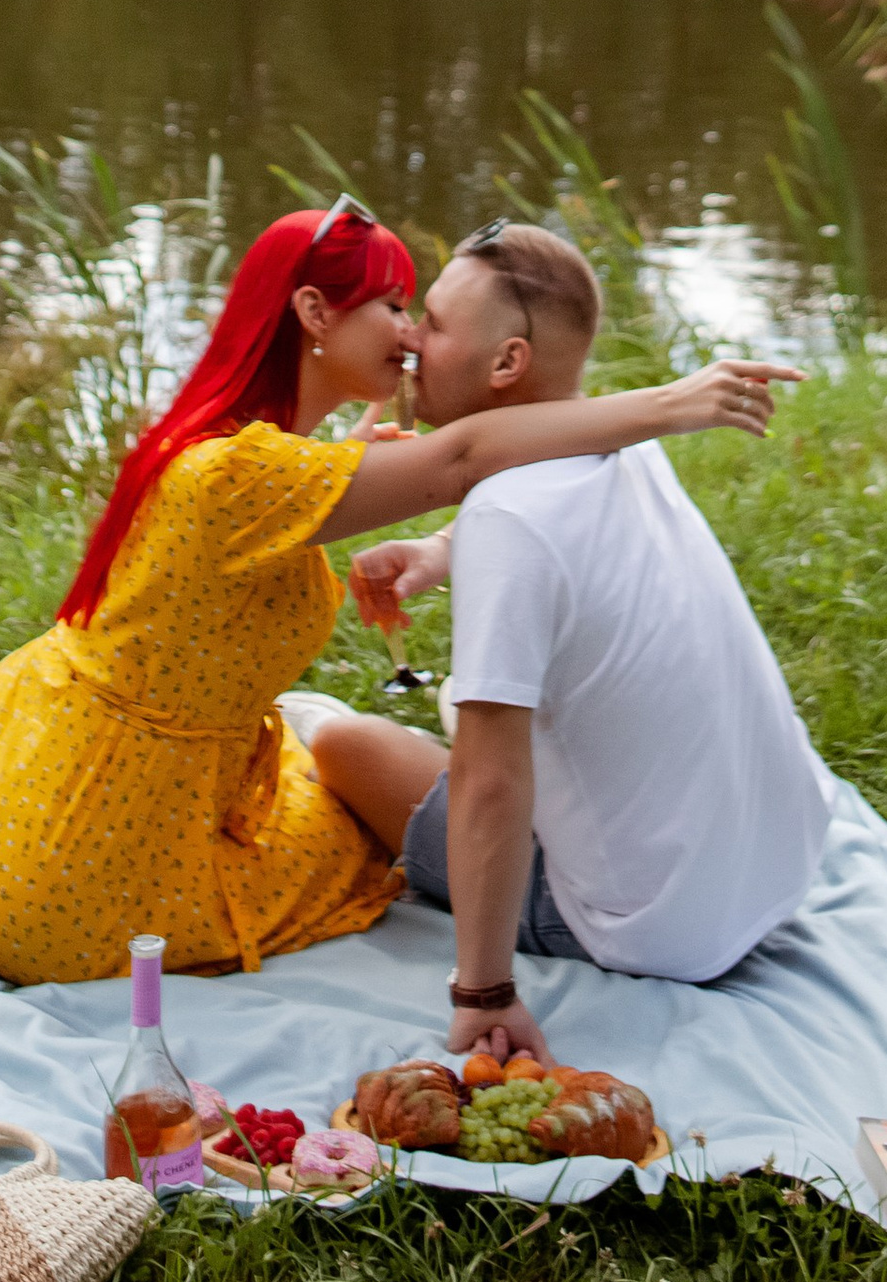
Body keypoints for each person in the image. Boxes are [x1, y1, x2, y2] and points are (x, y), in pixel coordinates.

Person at [0, 196, 791, 982]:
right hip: (117, 829)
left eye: (422, 313)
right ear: (312, 315)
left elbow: (451, 472)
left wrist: (427, 547)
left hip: (100, 751)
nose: (413, 334)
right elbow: (461, 458)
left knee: (330, 747)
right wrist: (670, 404)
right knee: (346, 826)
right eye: (392, 305)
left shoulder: (263, 460)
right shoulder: (241, 477)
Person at [306, 223, 834, 1065]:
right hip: (776, 865)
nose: (409, 339)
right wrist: (445, 554)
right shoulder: (617, 439)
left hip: (656, 931)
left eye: (434, 325)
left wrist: (484, 994)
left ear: (507, 364)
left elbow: (490, 784)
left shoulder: (512, 522)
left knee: (342, 744)